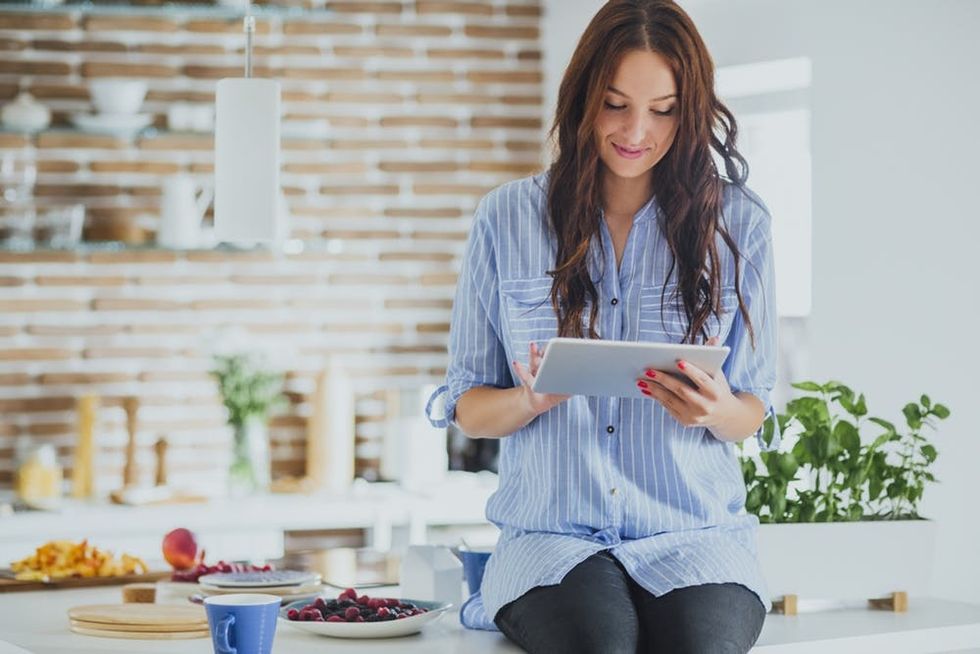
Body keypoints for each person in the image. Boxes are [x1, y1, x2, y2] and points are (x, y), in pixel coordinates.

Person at [426, 1, 781, 651]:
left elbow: (754, 407)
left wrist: (715, 410)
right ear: (584, 95)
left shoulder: (740, 225)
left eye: (663, 108)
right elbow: (470, 410)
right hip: (552, 540)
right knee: (599, 645)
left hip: (693, 534)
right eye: (616, 103)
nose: (636, 129)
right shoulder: (507, 218)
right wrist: (528, 400)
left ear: (691, 109)